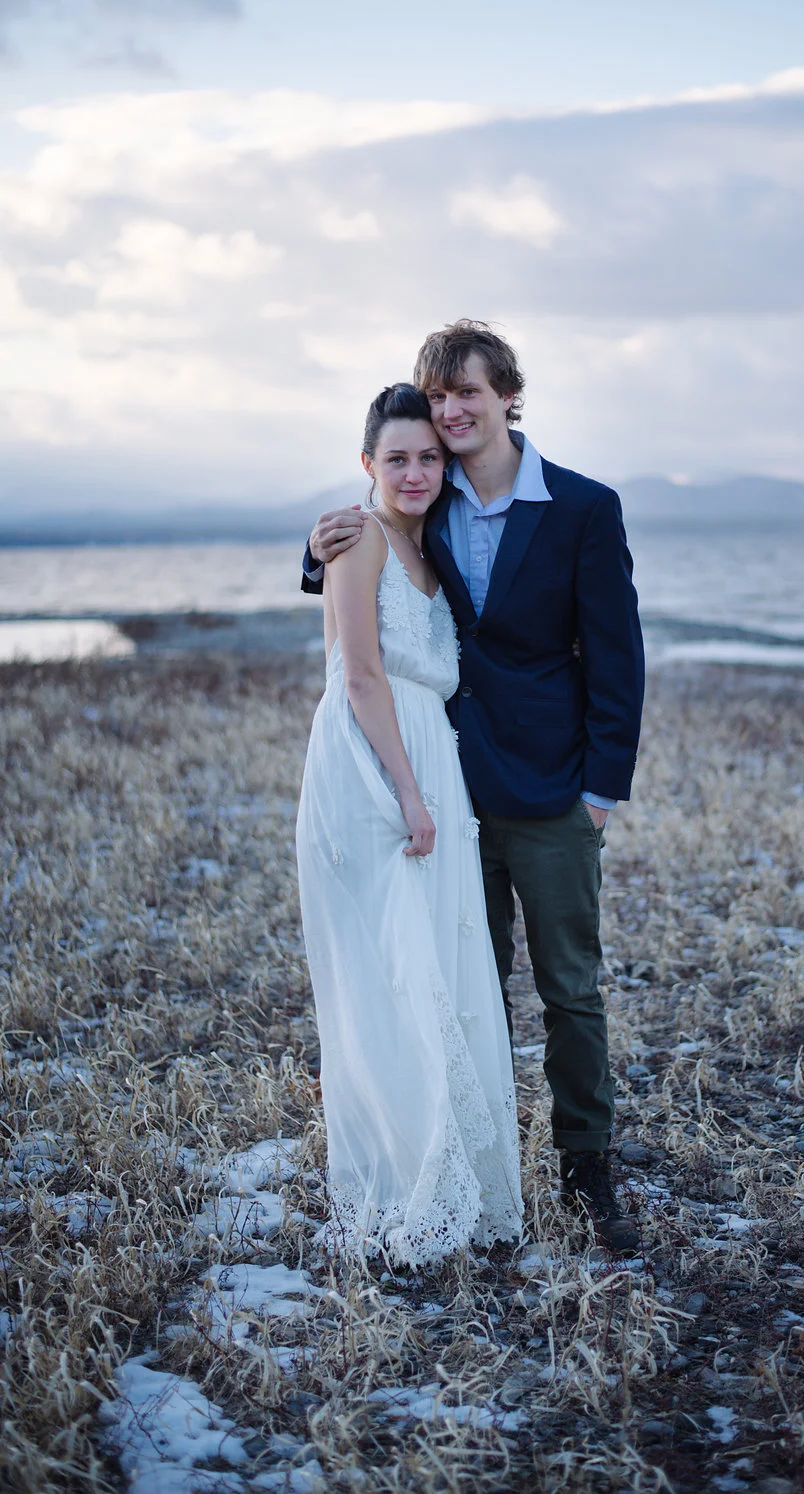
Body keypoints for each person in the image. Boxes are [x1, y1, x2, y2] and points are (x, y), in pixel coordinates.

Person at [301, 321, 646, 1255]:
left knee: (571, 987)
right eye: (439, 395)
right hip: (448, 785)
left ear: (507, 397)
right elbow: (375, 561)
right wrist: (316, 551)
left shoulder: (582, 508)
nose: (453, 412)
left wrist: (602, 789)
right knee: (464, 982)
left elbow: (618, 655)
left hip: (552, 788)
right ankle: (479, 1160)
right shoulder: (431, 500)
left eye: (469, 394)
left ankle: (587, 1172)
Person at [295, 382, 523, 1269]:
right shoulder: (355, 541)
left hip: (431, 761)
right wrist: (411, 795)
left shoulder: (430, 552)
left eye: (429, 455)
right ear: (368, 466)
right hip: (373, 766)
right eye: (398, 458)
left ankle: (455, 1177)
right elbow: (360, 675)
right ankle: (405, 1184)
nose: (418, 470)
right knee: (391, 971)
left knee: (439, 957)